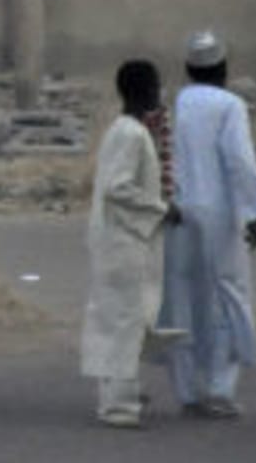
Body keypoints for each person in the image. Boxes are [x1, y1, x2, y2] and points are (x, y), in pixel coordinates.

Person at [157, 29, 256, 419]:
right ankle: (221, 389)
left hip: (179, 211)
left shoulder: (174, 103)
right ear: (224, 68)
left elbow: (162, 154)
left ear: (189, 68)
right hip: (221, 212)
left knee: (182, 297)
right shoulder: (230, 106)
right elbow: (239, 159)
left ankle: (188, 391)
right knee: (227, 294)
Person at [82, 60, 179, 429]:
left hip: (117, 238)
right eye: (155, 87)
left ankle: (118, 393)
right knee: (125, 322)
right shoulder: (132, 135)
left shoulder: (122, 129)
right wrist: (161, 209)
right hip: (125, 241)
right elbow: (118, 188)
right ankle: (119, 405)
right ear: (145, 91)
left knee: (118, 320)